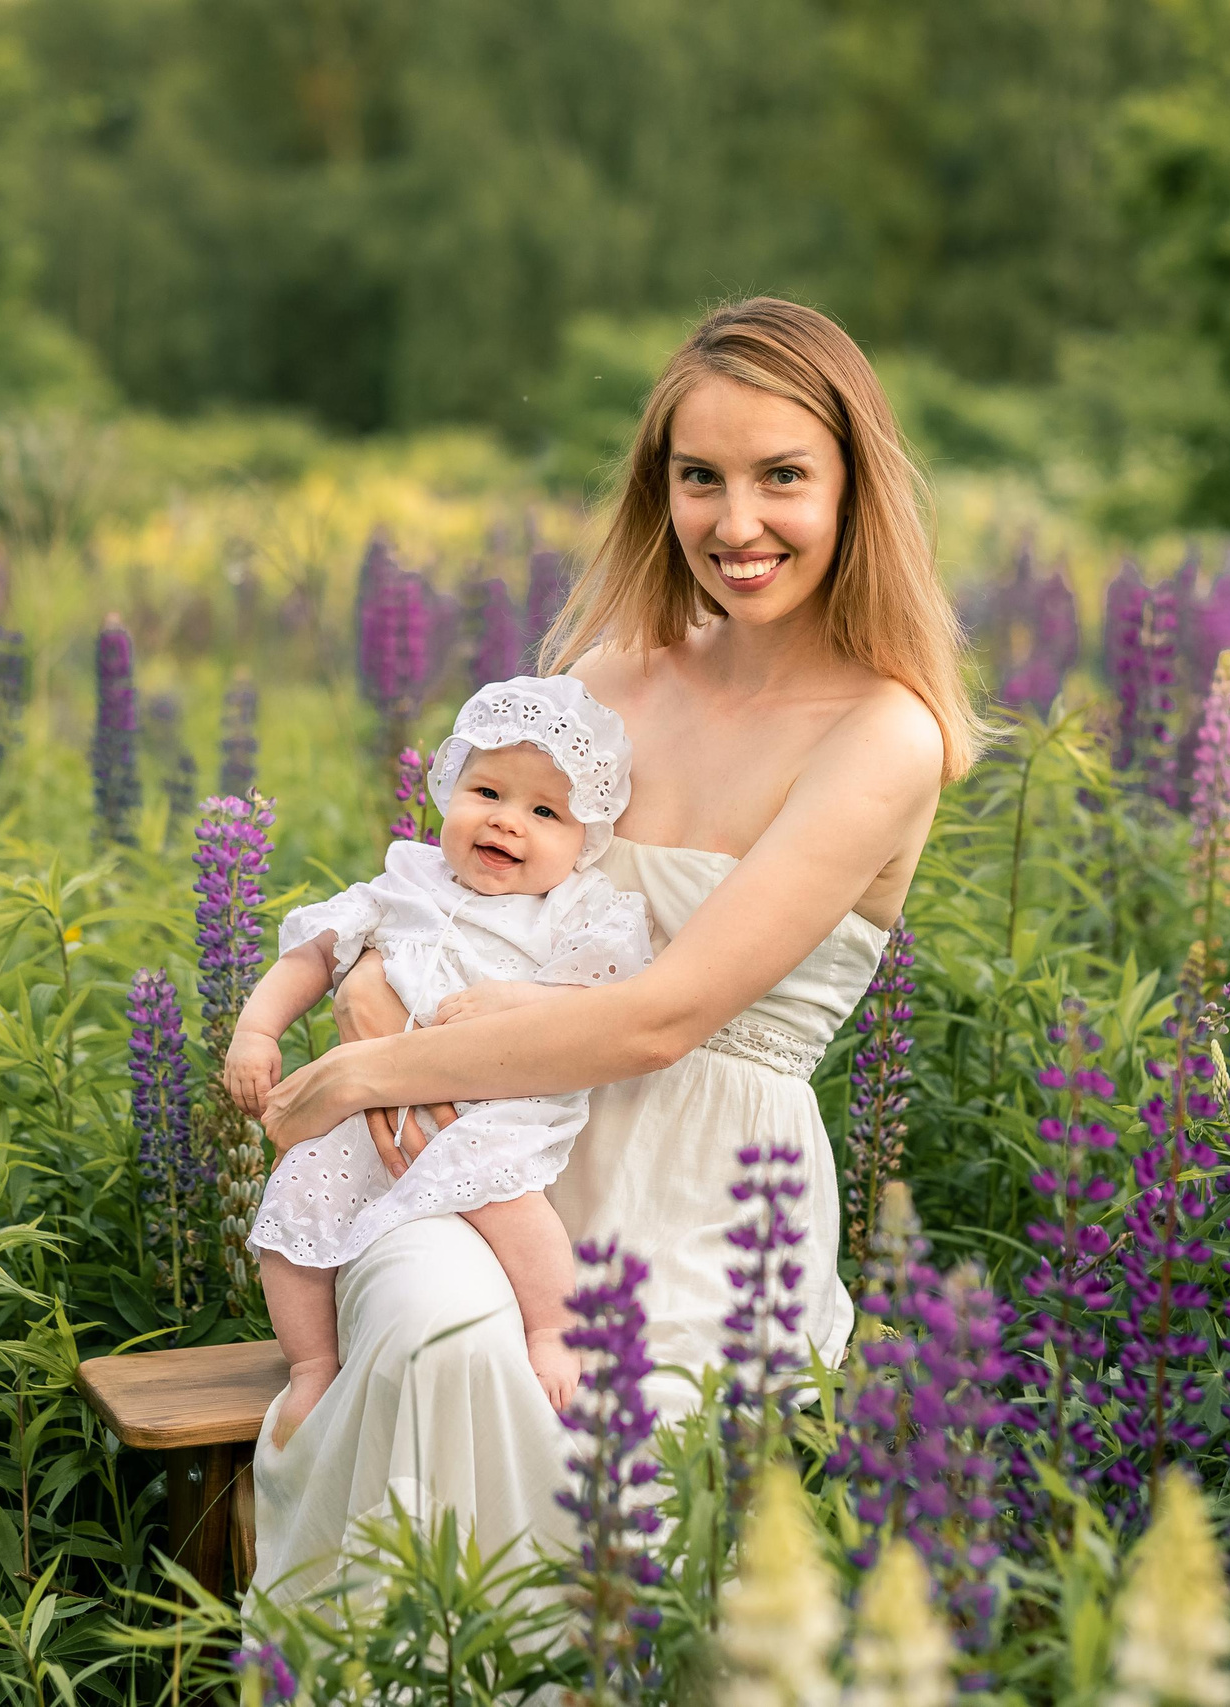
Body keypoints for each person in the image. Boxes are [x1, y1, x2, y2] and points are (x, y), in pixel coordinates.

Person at [251, 295, 979, 1596]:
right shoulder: (609, 677)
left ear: (853, 489)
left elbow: (662, 1015)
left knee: (601, 1485)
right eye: (700, 476)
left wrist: (370, 1075)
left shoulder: (884, 731)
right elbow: (469, 885)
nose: (735, 521)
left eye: (782, 477)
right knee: (434, 1332)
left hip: (710, 1208)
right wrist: (376, 978)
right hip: (494, 1163)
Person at [224, 677, 654, 1447]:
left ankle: (553, 1327)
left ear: (584, 843)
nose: (506, 819)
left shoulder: (570, 910)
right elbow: (318, 953)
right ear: (448, 789)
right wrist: (257, 1030)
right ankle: (312, 1362)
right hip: (370, 1113)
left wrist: (517, 999)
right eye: (486, 789)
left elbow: (598, 1003)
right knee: (290, 1211)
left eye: (544, 811)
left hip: (487, 1109)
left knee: (514, 1209)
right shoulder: (407, 882)